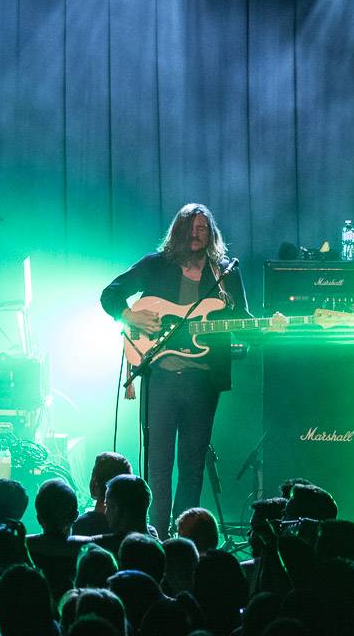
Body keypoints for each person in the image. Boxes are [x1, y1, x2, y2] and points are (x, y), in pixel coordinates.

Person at [101, 205, 248, 535]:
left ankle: (186, 540)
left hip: (203, 382)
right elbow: (109, 294)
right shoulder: (156, 266)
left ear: (211, 234)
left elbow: (246, 323)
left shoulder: (225, 272)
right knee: (158, 468)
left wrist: (271, 328)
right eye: (190, 228)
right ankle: (156, 535)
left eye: (202, 229)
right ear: (178, 232)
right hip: (161, 380)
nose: (196, 235)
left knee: (193, 467)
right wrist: (128, 315)